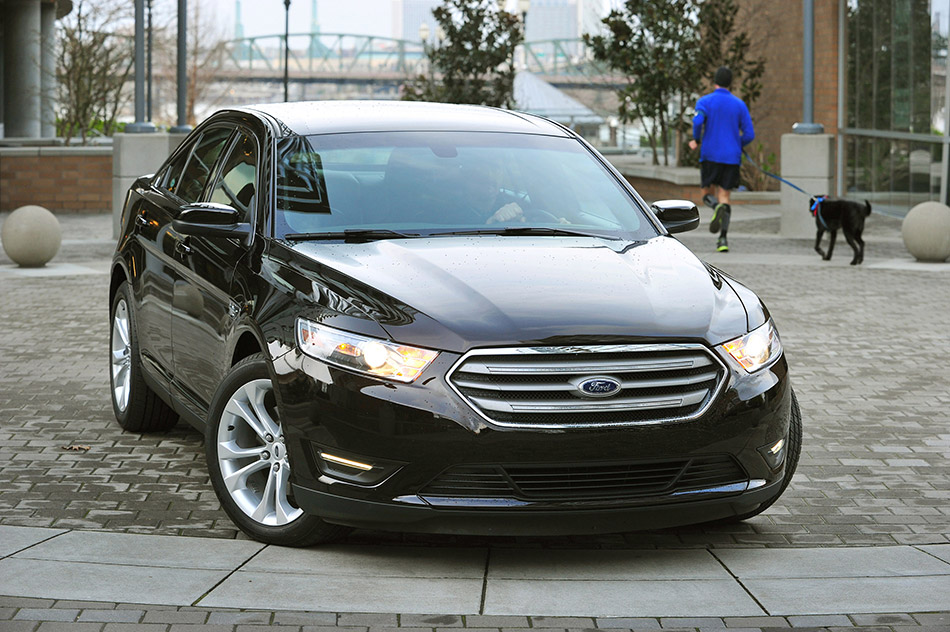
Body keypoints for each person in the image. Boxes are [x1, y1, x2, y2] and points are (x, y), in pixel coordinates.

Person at [688, 66, 755, 252]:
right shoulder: (739, 105)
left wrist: (697, 139)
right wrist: (737, 143)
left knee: (706, 194)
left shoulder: (705, 101)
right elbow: (749, 134)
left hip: (710, 154)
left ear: (715, 82)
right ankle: (723, 240)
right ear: (730, 83)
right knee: (725, 196)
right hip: (732, 157)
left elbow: (697, 121)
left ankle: (715, 206)